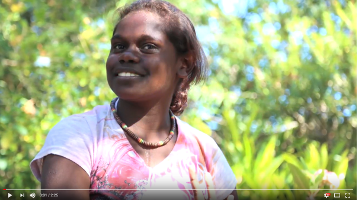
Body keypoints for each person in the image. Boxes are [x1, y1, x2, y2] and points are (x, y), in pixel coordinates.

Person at [30, 0, 238, 199]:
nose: (127, 55)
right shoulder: (76, 136)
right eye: (119, 46)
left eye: (148, 46)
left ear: (184, 64)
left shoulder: (205, 153)